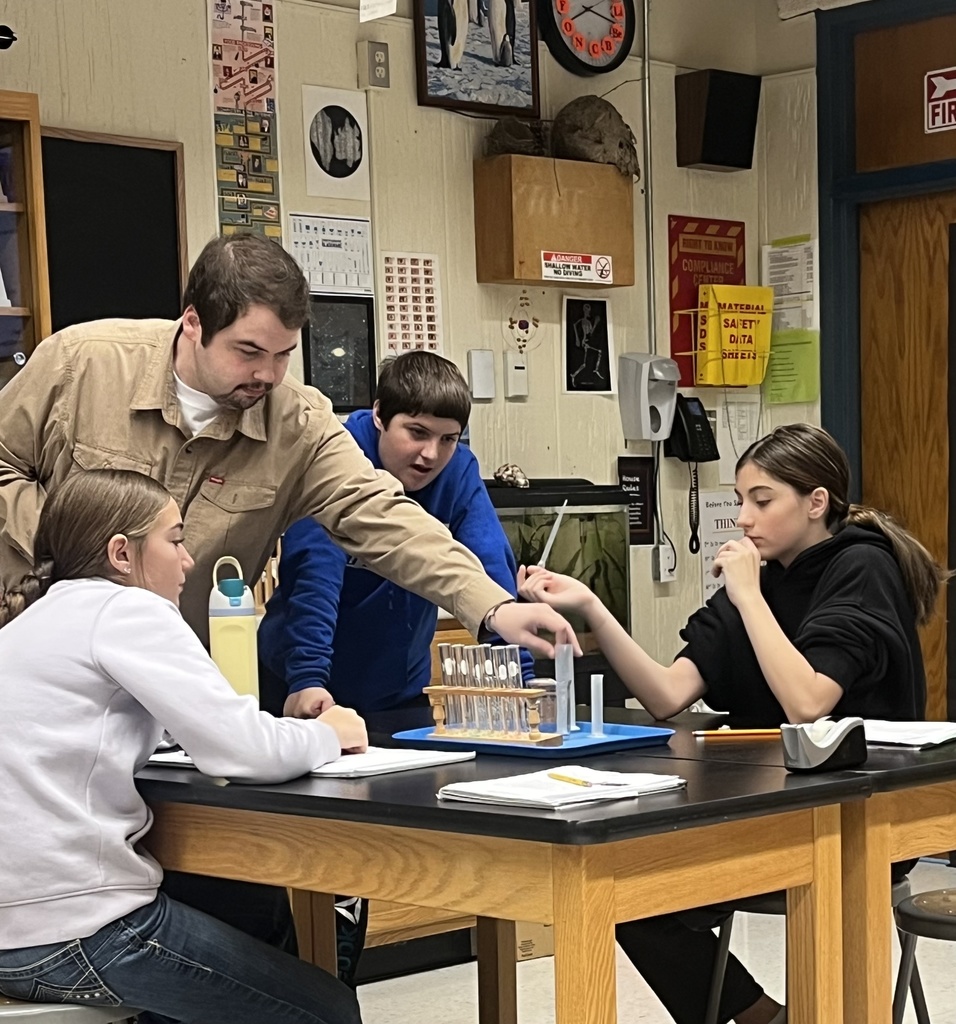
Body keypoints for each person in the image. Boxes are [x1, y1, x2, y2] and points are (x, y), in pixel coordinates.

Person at [0, 233, 576, 970]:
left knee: (245, 910)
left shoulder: (297, 421)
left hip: (164, 711)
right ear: (192, 325)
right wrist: (78, 556)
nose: (266, 375)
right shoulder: (83, 365)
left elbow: (380, 513)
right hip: (47, 700)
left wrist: (492, 605)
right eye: (248, 352)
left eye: (282, 356)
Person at [519, 423, 948, 1024]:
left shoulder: (859, 567)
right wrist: (591, 605)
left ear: (816, 502)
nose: (743, 518)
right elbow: (668, 693)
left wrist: (748, 596)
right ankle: (760, 1016)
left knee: (650, 888)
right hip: (762, 804)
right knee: (623, 884)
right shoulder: (763, 572)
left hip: (854, 816)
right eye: (741, 499)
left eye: (762, 500)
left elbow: (809, 702)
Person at [0, 469, 367, 1024]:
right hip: (77, 931)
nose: (189, 560)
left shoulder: (31, 621)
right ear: (122, 554)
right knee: (326, 1009)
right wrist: (329, 735)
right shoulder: (127, 610)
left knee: (243, 917)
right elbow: (241, 751)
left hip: (16, 928)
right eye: (174, 540)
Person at [258, 349, 534, 720]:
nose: (431, 454)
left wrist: (525, 682)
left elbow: (490, 570)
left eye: (448, 439)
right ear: (379, 415)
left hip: (398, 690)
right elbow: (314, 577)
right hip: (299, 685)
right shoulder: (333, 459)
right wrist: (307, 680)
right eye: (417, 433)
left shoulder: (458, 472)